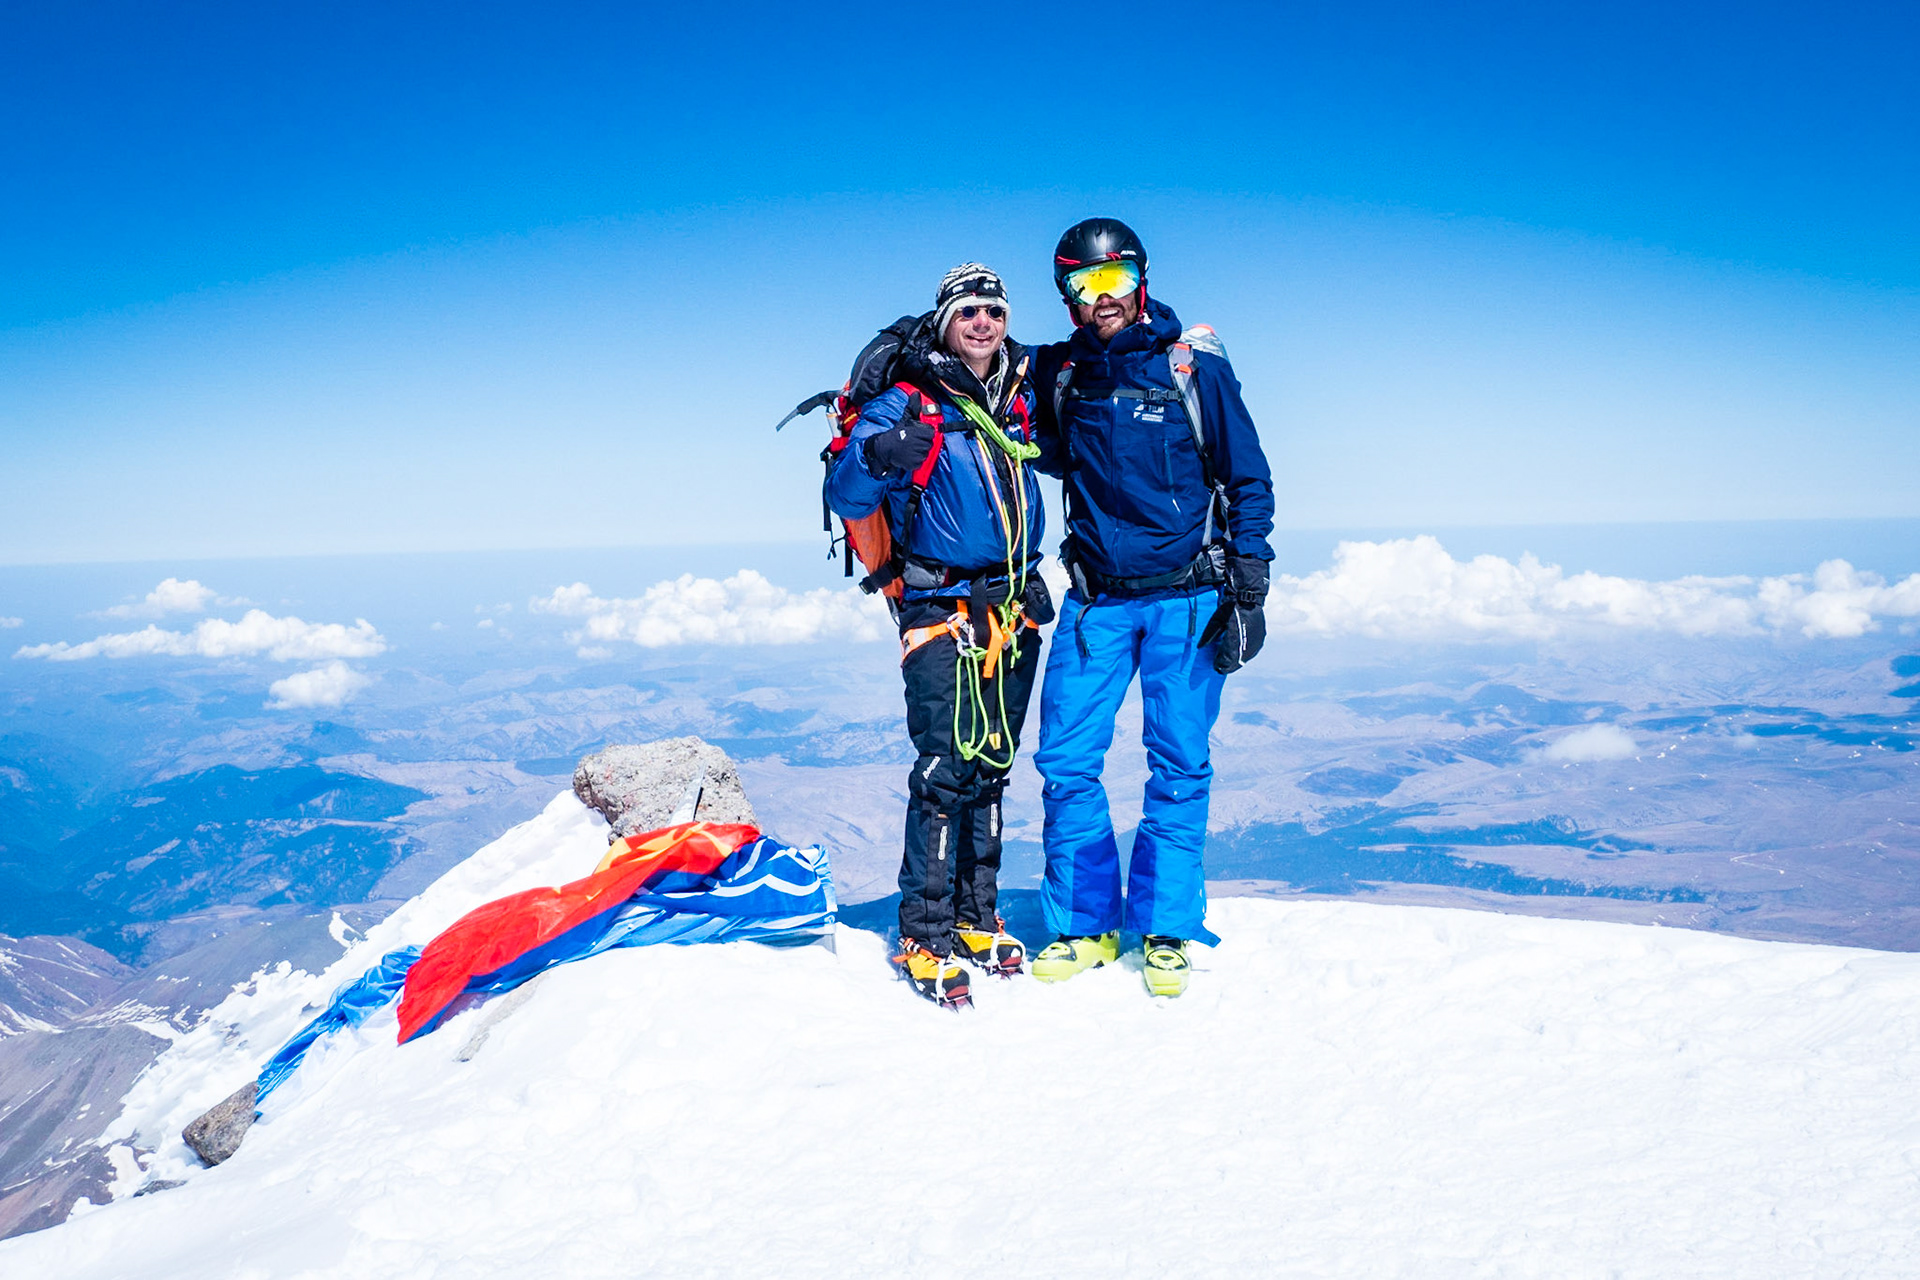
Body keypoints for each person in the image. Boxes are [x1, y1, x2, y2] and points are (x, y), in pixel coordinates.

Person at [1027, 218, 1275, 997]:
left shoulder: (1191, 368)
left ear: (1140, 276)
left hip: (1188, 599)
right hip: (1097, 603)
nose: (1101, 298)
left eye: (1114, 278)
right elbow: (980, 392)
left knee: (1179, 765)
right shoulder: (1060, 374)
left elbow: (1248, 477)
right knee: (1066, 763)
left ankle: (1164, 928)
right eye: (1082, 284)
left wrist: (1250, 580)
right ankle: (1086, 926)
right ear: (1066, 296)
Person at [824, 263, 1053, 1008]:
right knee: (944, 772)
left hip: (1010, 604)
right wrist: (875, 451)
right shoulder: (910, 398)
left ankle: (975, 918)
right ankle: (924, 933)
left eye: (993, 310)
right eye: (968, 312)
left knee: (990, 765)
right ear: (946, 320)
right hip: (940, 609)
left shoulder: (1012, 395)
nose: (982, 323)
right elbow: (845, 491)